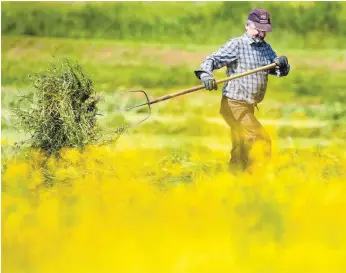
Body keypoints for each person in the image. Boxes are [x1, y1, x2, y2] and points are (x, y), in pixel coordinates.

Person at [194, 8, 290, 174]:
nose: (261, 34)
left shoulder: (266, 49)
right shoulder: (237, 45)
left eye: (264, 30)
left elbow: (278, 70)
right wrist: (205, 75)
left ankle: (236, 186)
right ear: (247, 26)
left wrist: (282, 64)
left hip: (248, 107)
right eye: (258, 29)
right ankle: (255, 178)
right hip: (234, 105)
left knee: (241, 149)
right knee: (261, 141)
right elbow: (212, 60)